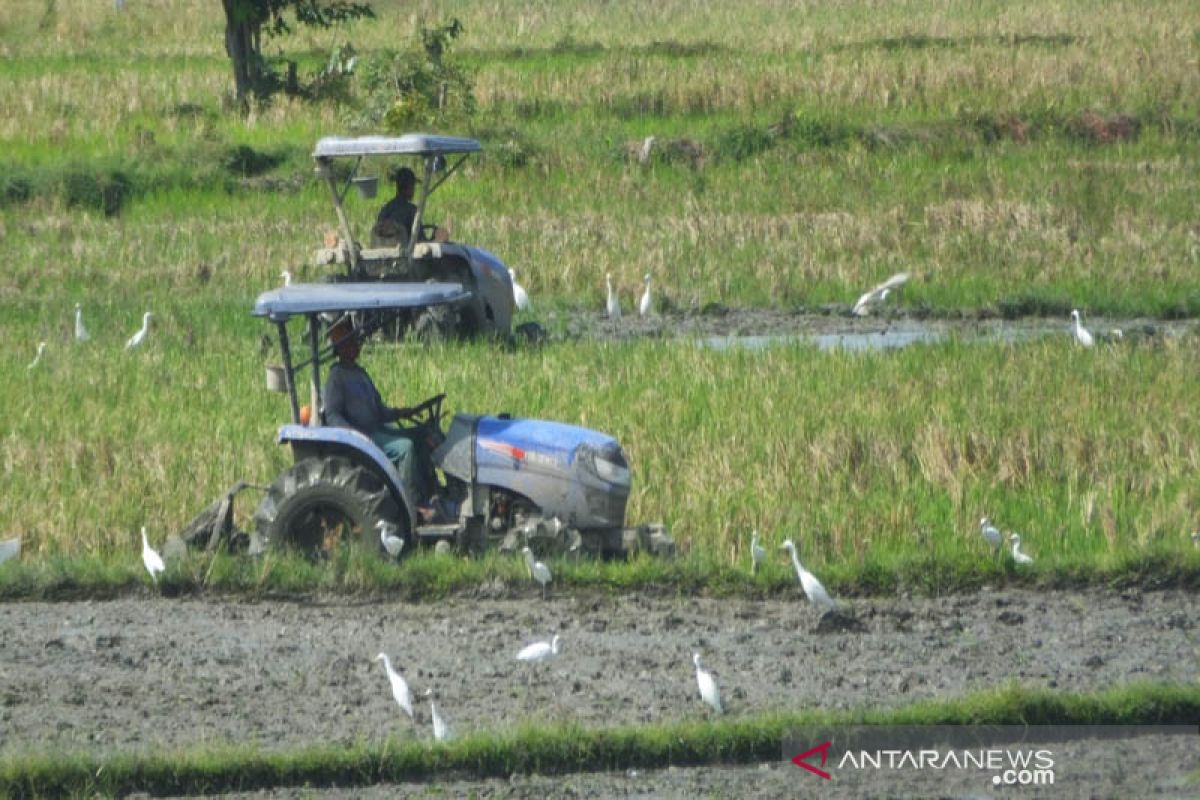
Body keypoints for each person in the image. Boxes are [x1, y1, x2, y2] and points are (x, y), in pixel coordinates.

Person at [322, 317, 439, 518]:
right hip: (365, 436)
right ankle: (412, 504)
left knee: (424, 434)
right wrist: (355, 437)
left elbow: (379, 411)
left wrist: (403, 412)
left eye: (356, 342)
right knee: (404, 448)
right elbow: (332, 415)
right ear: (340, 348)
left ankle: (432, 490)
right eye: (350, 343)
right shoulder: (337, 377)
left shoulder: (361, 374)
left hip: (379, 430)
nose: (356, 346)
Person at [372, 165, 450, 247]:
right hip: (407, 256)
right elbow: (420, 241)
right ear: (410, 187)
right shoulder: (411, 210)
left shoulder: (385, 209)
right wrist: (434, 238)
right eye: (413, 186)